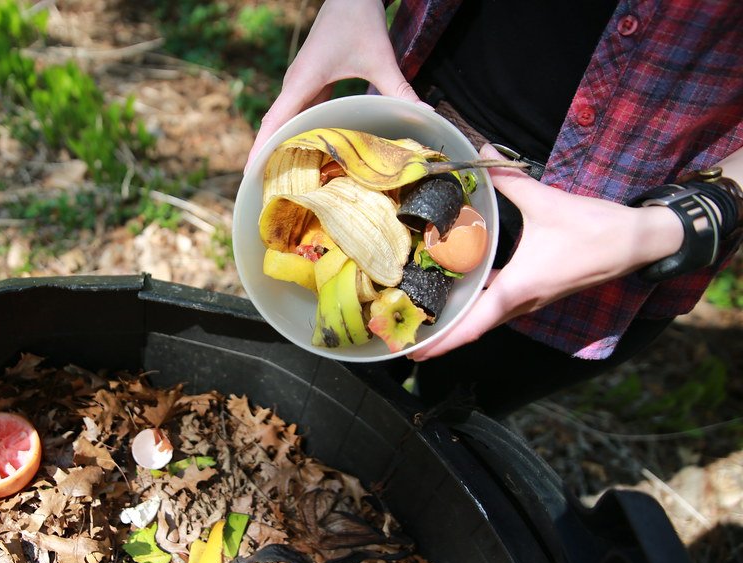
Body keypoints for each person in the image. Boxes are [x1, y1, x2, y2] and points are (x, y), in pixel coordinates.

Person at [248, 0, 743, 418]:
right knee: (316, 400)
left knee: (453, 420)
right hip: (407, 138)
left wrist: (697, 216)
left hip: (605, 245)